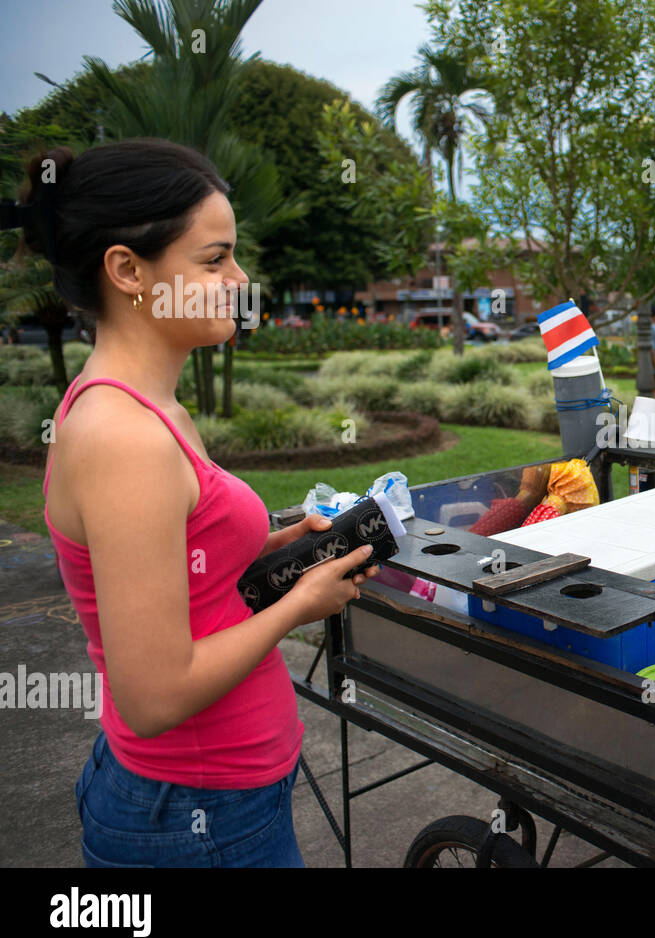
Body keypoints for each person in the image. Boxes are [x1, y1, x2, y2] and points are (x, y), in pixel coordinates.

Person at [2, 139, 380, 867]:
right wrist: (298, 606)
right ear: (126, 269)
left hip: (218, 803)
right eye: (214, 260)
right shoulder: (124, 437)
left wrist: (276, 547)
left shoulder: (152, 408)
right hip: (196, 818)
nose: (240, 279)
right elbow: (152, 694)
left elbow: (184, 565)